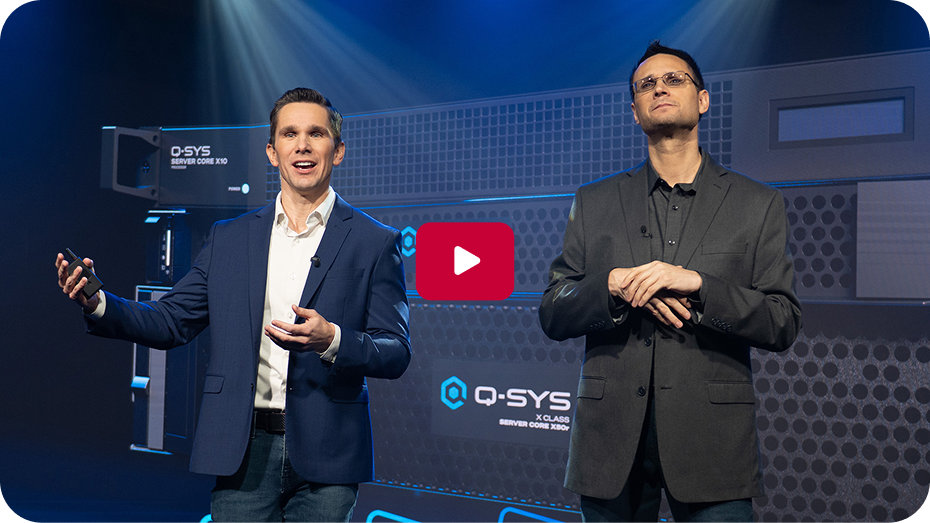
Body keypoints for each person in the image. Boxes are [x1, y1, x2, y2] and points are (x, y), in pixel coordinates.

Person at [56, 88, 411, 523]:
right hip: (242, 451)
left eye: (316, 134)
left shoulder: (375, 242)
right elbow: (170, 321)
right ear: (272, 152)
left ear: (337, 151)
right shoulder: (229, 238)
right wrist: (98, 303)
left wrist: (332, 339)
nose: (302, 145)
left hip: (329, 455)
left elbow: (396, 350)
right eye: (290, 134)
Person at [539, 42, 801, 523]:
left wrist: (699, 285)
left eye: (674, 79)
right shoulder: (593, 201)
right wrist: (612, 285)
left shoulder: (757, 203)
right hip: (610, 445)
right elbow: (553, 311)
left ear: (703, 100)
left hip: (713, 445)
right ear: (635, 111)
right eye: (646, 85)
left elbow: (781, 321)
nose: (659, 88)